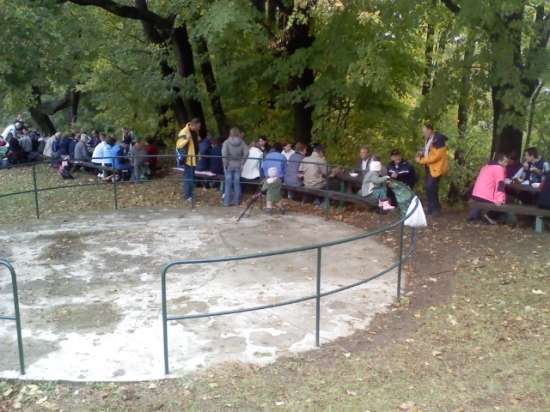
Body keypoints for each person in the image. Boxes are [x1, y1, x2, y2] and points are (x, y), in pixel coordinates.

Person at [416, 122, 449, 216]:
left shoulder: (439, 139)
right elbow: (429, 151)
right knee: (430, 187)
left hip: (437, 167)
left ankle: (435, 209)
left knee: (430, 186)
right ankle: (432, 208)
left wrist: (421, 160)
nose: (423, 133)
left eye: (424, 131)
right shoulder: (429, 139)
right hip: (429, 167)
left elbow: (436, 156)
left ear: (430, 130)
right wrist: (422, 152)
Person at [469, 153, 509, 224]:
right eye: (505, 162)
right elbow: (500, 185)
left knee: (481, 202)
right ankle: (488, 216)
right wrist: (500, 200)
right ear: (499, 161)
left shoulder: (486, 166)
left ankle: (473, 216)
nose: (506, 164)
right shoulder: (499, 168)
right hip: (485, 195)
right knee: (502, 203)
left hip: (476, 193)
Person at [222, 128, 249, 207]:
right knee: (237, 184)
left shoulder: (226, 142)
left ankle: (226, 202)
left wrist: (225, 164)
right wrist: (242, 162)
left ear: (230, 133)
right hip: (238, 165)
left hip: (229, 165)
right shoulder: (242, 142)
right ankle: (236, 202)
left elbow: (224, 154)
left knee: (228, 184)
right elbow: (247, 152)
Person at [176, 118, 201, 202]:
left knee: (191, 176)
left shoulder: (195, 132)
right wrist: (187, 139)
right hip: (187, 159)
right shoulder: (184, 132)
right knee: (188, 177)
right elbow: (179, 145)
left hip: (193, 157)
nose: (199, 128)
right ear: (194, 125)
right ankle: (188, 196)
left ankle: (190, 194)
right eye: (198, 126)